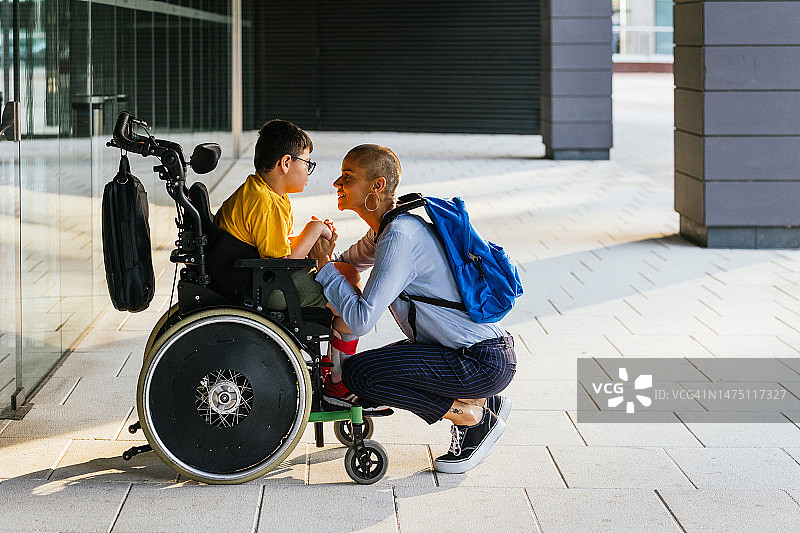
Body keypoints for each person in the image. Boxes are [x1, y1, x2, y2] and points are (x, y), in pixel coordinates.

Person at [310, 144, 516, 474]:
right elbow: (347, 264)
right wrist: (324, 258)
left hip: (478, 360)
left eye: (347, 177)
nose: (337, 183)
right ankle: (482, 401)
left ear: (376, 186)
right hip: (471, 351)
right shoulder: (387, 229)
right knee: (364, 371)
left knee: (362, 375)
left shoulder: (399, 237)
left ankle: (473, 418)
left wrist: (323, 265)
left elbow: (361, 320)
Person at [215, 119, 361, 368]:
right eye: (307, 164)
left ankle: (334, 366)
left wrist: (312, 241)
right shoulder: (265, 202)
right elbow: (286, 262)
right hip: (270, 286)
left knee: (349, 273)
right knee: (351, 304)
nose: (308, 171)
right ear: (285, 163)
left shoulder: (262, 192)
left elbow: (275, 246)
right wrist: (314, 229)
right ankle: (339, 378)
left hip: (262, 274)